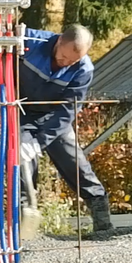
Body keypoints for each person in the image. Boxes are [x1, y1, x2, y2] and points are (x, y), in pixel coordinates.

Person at [18, 23, 112, 233]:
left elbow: (68, 111)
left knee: (75, 163)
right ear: (59, 41)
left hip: (55, 117)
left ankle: (102, 220)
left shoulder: (84, 69)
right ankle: (25, 223)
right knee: (24, 166)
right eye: (63, 57)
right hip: (21, 113)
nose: (66, 63)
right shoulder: (29, 42)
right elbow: (4, 40)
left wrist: (39, 142)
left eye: (73, 61)